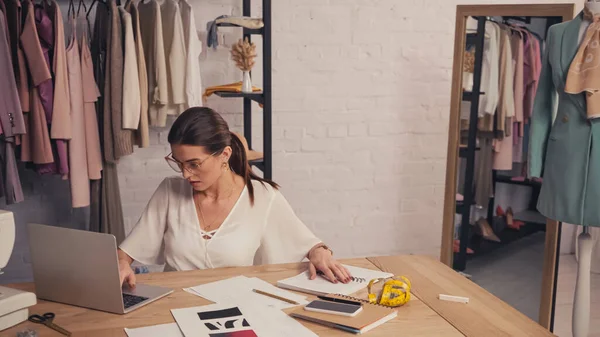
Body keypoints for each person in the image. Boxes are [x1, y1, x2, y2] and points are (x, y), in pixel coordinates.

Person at [117, 107, 351, 288]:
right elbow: (127, 252)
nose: (186, 173)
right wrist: (121, 264)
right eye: (179, 164)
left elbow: (307, 243)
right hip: (173, 307)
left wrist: (320, 252)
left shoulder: (262, 197)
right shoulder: (170, 192)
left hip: (236, 310)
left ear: (224, 155)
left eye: (194, 164)